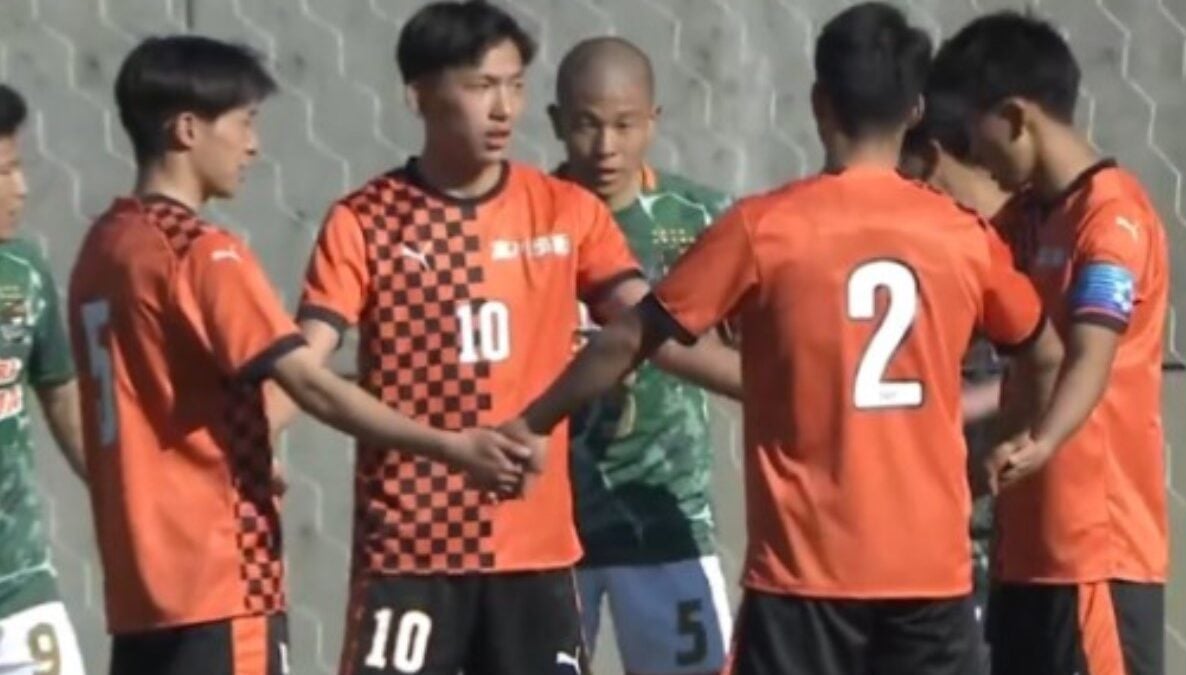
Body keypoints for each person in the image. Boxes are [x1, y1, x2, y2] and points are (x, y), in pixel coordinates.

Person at [502, 3, 1111, 673]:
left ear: (820, 103)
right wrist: (1012, 445)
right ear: (915, 110)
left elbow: (631, 338)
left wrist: (534, 419)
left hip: (803, 576)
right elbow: (1046, 351)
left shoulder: (765, 227)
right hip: (930, 575)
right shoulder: (962, 236)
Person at [286, 3, 738, 674]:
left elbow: (649, 329)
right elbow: (301, 368)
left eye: (514, 84)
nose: (502, 107)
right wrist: (439, 446)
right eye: (478, 86)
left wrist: (795, 389)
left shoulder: (567, 211)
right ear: (420, 95)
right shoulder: (365, 221)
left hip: (535, 553)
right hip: (412, 552)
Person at [68, 35, 529, 675]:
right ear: (186, 129)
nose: (254, 146)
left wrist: (242, 449)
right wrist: (452, 447)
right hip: (221, 581)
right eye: (245, 123)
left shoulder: (104, 245)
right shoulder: (201, 252)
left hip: (139, 585)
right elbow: (308, 385)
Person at [935, 12, 1170, 675]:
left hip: (1093, 553)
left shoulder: (1113, 217)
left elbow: (1090, 351)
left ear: (1015, 116)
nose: (974, 157)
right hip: (1023, 552)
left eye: (973, 133)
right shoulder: (1025, 221)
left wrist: (1043, 441)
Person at [549, 36, 733, 675]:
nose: (606, 147)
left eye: (625, 125)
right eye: (586, 125)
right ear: (554, 123)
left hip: (666, 519)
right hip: (547, 528)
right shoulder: (525, 219)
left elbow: (754, 348)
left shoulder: (703, 220)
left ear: (653, 121)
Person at [899, 87, 1014, 673]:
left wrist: (945, 404)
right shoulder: (928, 240)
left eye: (901, 169)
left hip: (1016, 515)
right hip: (933, 519)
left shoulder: (1018, 237)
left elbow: (1068, 360)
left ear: (931, 157)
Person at [0, 83, 88, 675]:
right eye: (3, 172)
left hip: (18, 583)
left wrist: (120, 495)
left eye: (18, 168)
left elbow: (60, 395)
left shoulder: (24, 271)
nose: (21, 189)